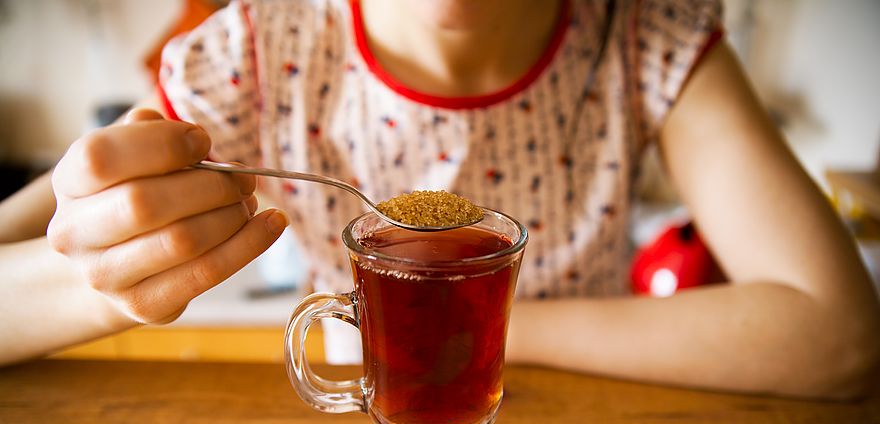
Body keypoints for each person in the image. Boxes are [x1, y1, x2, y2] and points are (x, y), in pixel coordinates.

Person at [0, 0, 878, 399]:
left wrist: (468, 330)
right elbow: (51, 243)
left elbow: (838, 334)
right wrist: (104, 265)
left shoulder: (647, 35)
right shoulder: (257, 51)